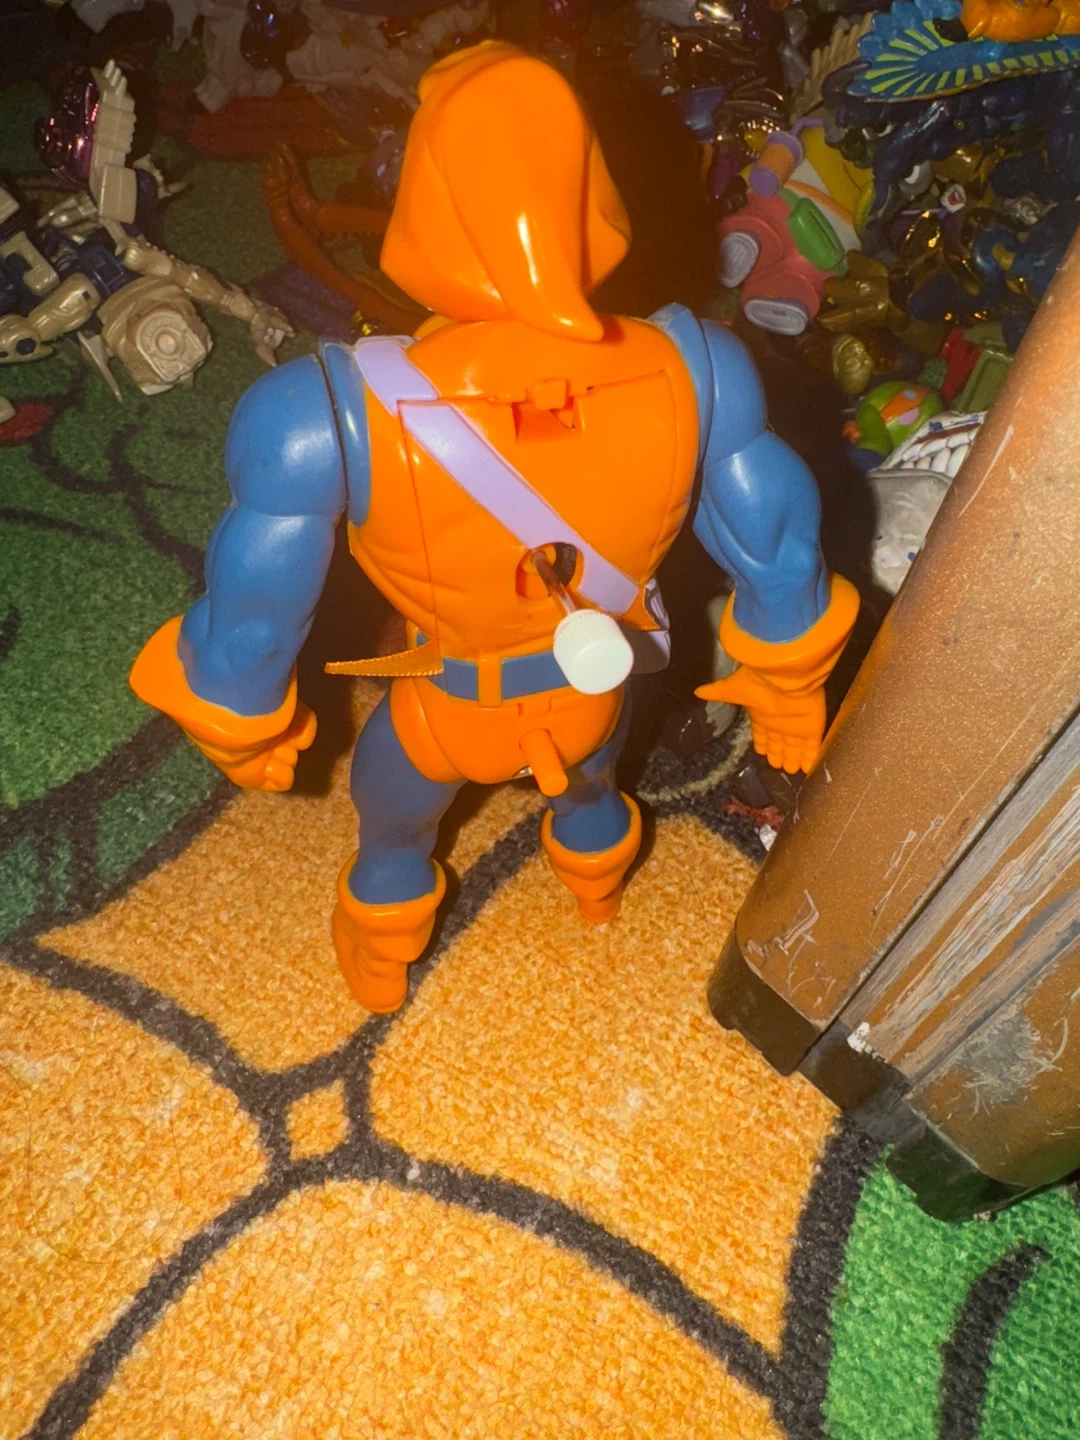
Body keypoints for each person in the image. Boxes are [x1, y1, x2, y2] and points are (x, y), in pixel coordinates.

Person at [130, 40, 858, 1014]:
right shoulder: (700, 370)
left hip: (450, 715)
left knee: (393, 837)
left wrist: (242, 724)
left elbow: (253, 618)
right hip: (594, 694)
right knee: (593, 792)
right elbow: (780, 550)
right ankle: (596, 891)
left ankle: (384, 958)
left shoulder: (324, 417)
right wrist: (790, 690)